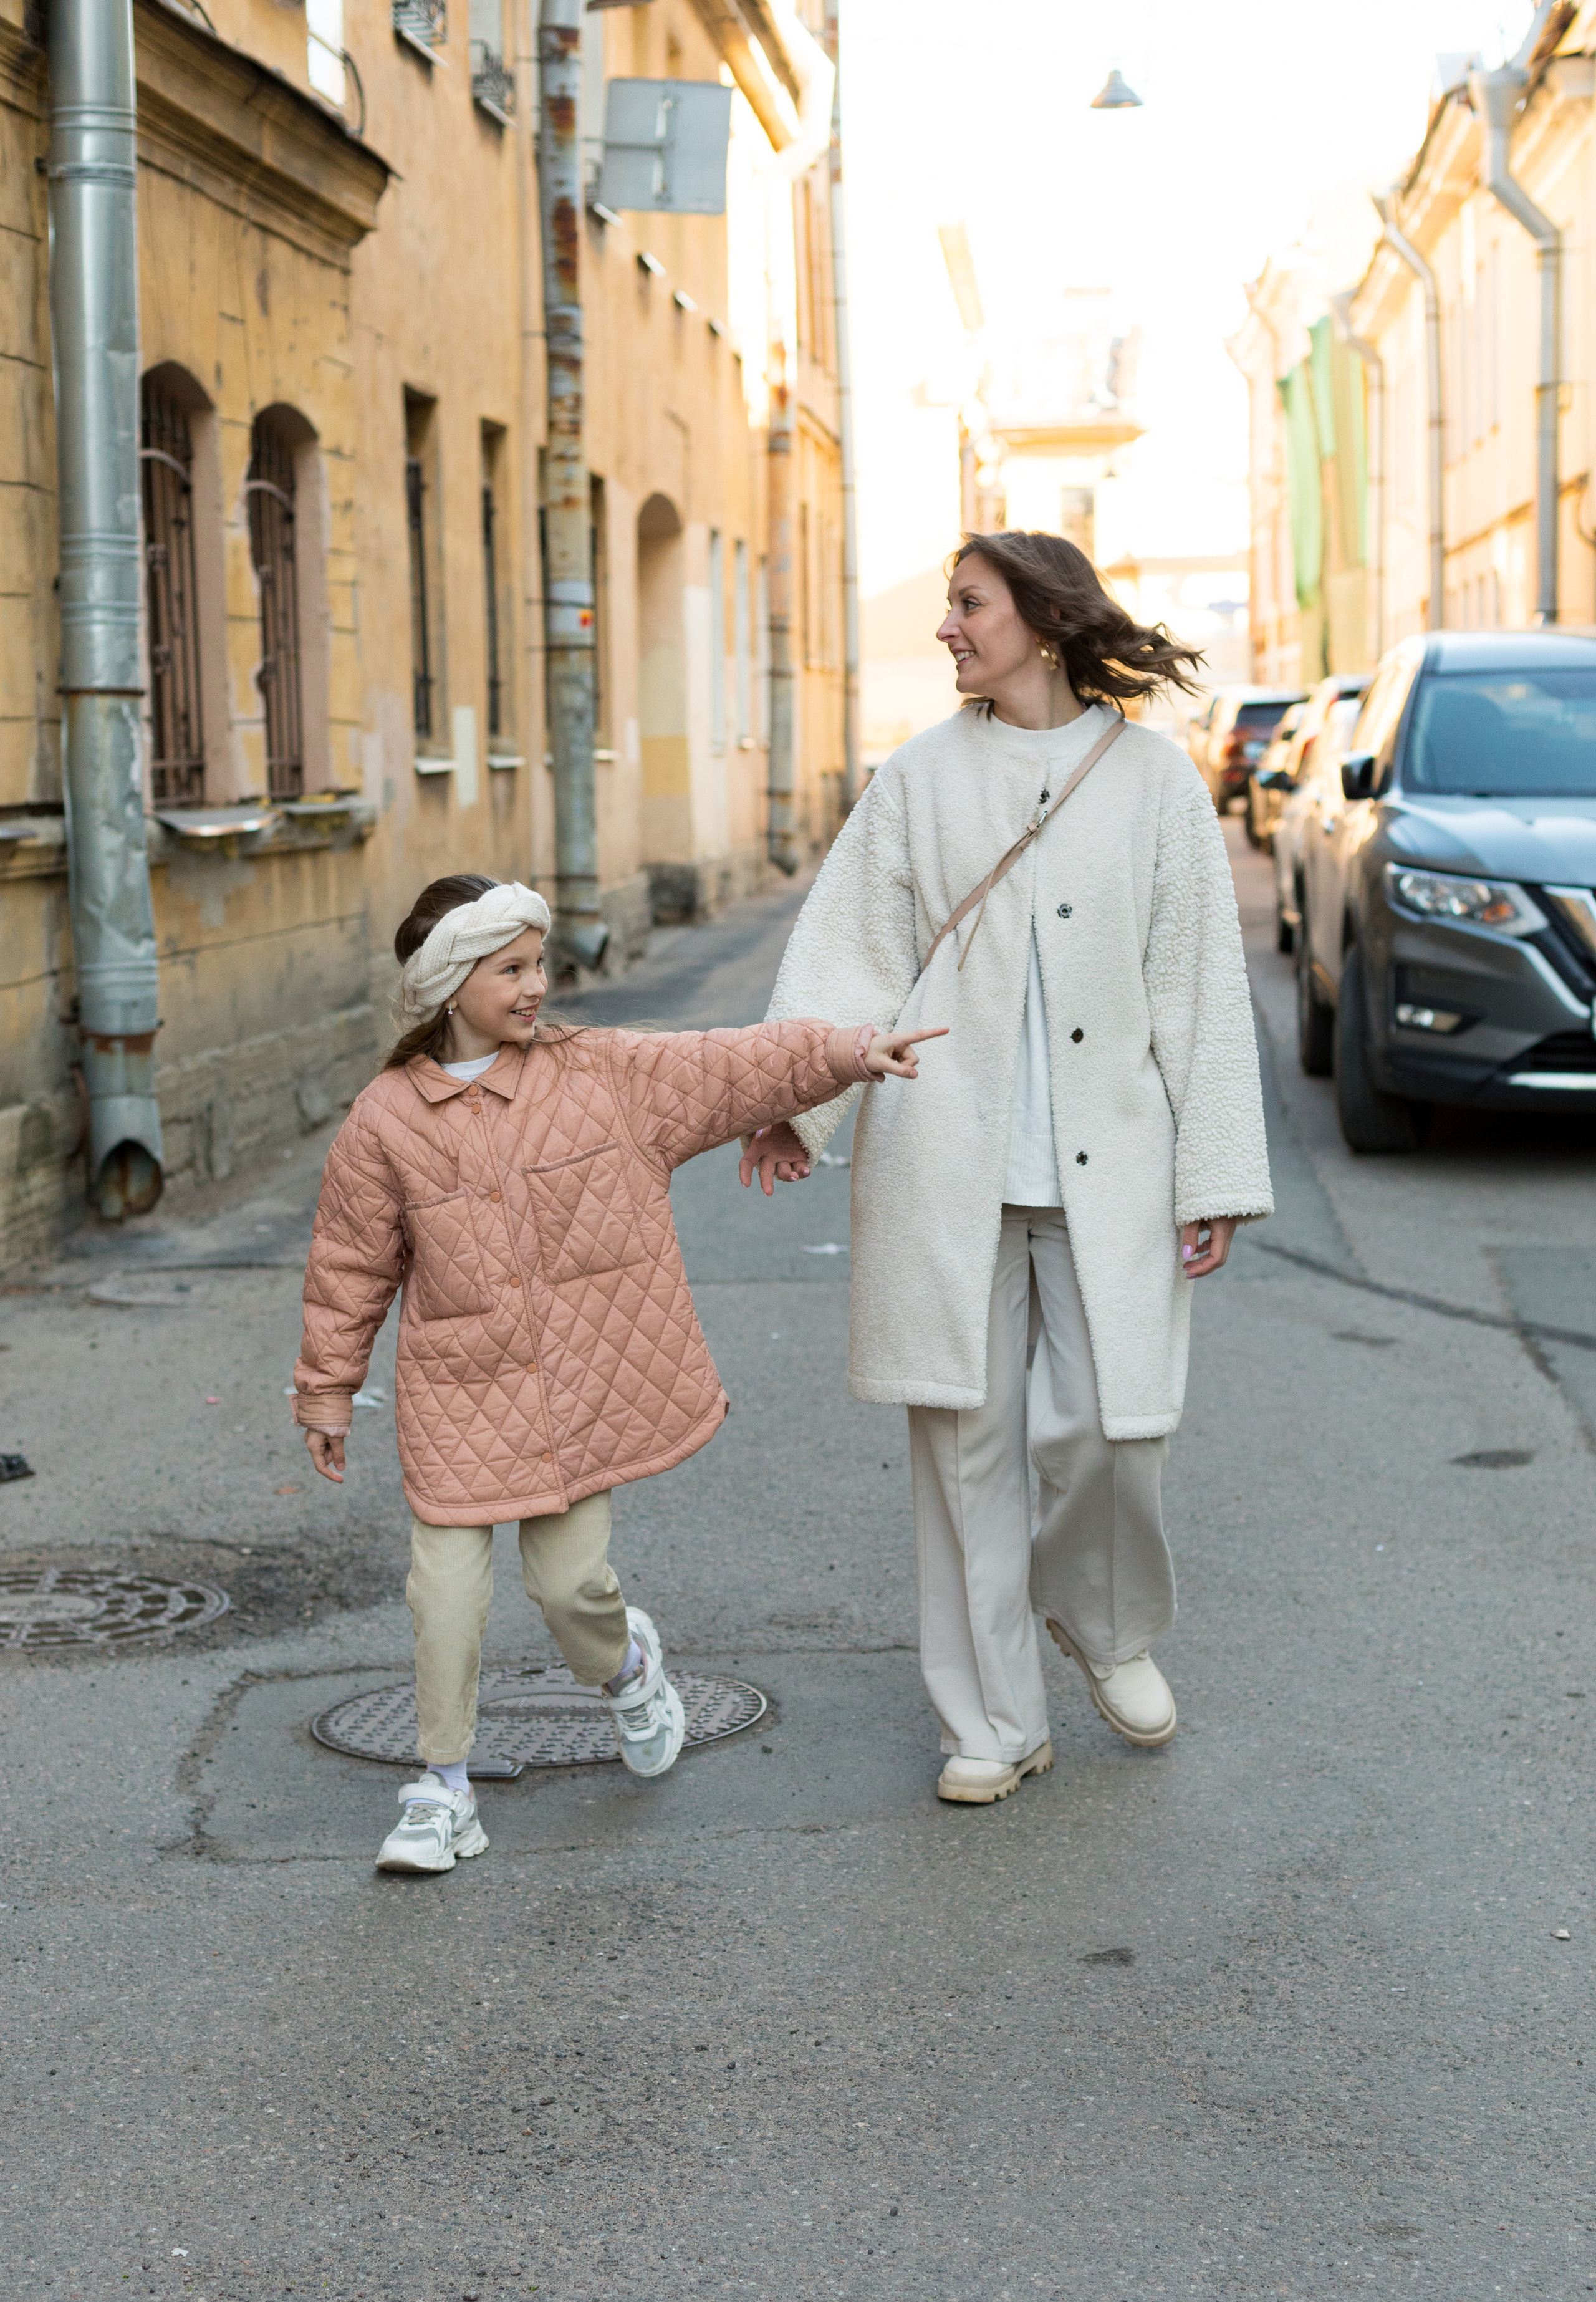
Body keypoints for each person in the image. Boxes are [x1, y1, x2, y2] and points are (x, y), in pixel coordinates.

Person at [741, 531, 1273, 1803]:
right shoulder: (917, 780)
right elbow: (847, 952)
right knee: (963, 1451)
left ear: (1038, 620)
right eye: (945, 607)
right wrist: (793, 1094)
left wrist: (1211, 1173)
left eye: (966, 607)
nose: (945, 630)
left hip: (1114, 1176)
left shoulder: (1151, 781)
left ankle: (1101, 1624)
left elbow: (1195, 984)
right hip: (944, 1167)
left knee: (1106, 1429)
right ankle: (988, 1721)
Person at [293, 874, 943, 1871]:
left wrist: (847, 1052)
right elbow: (349, 1264)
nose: (535, 985)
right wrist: (329, 1391)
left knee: (569, 1590)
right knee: (446, 1598)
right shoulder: (385, 1121)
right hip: (460, 1395)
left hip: (579, 1398)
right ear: (447, 983)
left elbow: (729, 1068)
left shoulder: (599, 1074)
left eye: (538, 963)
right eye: (509, 968)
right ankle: (443, 1789)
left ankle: (629, 1667)